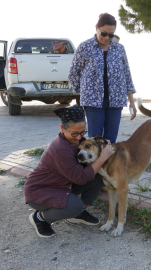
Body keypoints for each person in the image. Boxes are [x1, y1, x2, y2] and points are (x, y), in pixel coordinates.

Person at [24, 105, 115, 238]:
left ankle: (78, 213)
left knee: (96, 176)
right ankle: (40, 217)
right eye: (74, 133)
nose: (79, 138)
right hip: (40, 191)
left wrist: (101, 146)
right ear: (62, 128)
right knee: (74, 205)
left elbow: (88, 169)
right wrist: (103, 157)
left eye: (83, 132)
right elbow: (81, 178)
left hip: (62, 185)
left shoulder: (77, 141)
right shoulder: (60, 148)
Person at [69, 13, 136, 144]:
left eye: (111, 35)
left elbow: (127, 76)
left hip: (116, 101)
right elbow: (73, 74)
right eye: (104, 33)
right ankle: (95, 165)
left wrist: (132, 102)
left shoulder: (120, 49)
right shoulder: (84, 47)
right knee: (94, 141)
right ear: (97, 28)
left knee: (111, 141)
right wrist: (82, 94)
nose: (107, 38)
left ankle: (108, 165)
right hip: (93, 102)